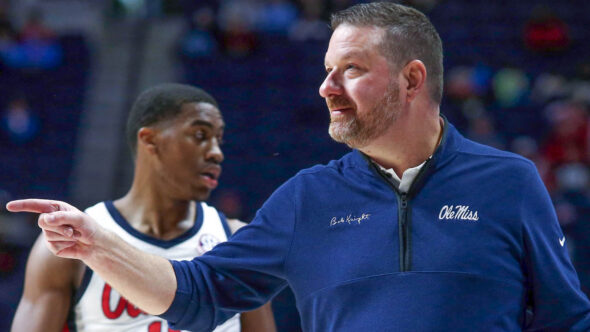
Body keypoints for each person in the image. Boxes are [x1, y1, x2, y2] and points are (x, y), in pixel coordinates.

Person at [7, 2, 590, 331]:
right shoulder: (306, 198)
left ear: (413, 79)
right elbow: (196, 292)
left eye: (351, 70)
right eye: (327, 69)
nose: (326, 87)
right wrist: (94, 244)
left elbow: (565, 320)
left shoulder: (509, 182)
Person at [9, 83, 276, 332]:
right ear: (149, 140)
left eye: (219, 139)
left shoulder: (236, 241)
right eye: (200, 135)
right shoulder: (68, 245)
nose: (216, 152)